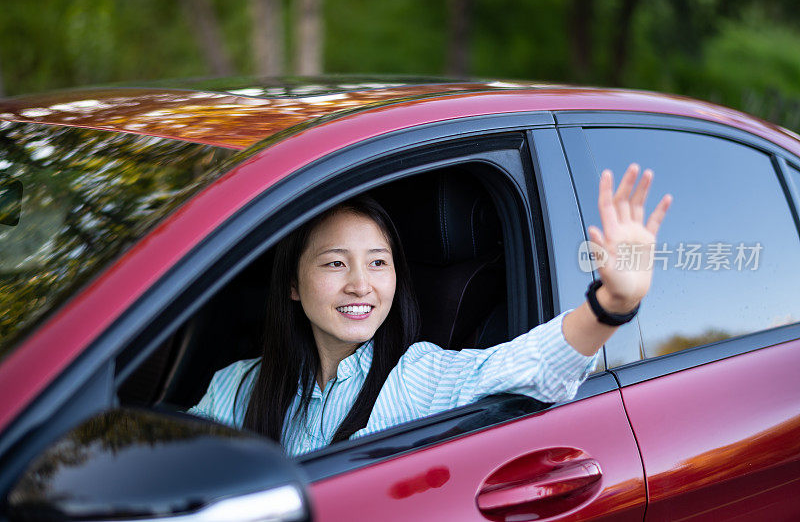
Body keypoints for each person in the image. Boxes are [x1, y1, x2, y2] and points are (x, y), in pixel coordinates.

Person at [188, 164, 672, 456]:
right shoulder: (237, 387)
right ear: (293, 284)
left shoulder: (413, 377)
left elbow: (528, 365)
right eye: (336, 263)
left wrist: (612, 304)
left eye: (378, 263)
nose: (361, 285)